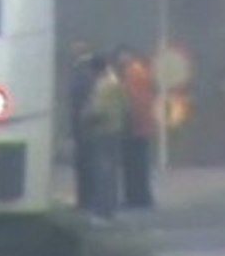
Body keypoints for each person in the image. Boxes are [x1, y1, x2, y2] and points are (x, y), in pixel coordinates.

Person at [82, 54, 128, 220]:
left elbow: (98, 111)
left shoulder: (102, 86)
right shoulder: (115, 82)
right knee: (112, 171)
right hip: (116, 129)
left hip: (102, 131)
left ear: (95, 70)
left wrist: (85, 116)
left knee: (102, 172)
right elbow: (125, 105)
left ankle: (102, 211)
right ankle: (111, 209)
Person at [115, 45, 157, 208]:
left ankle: (135, 198)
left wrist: (129, 121)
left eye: (121, 56)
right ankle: (141, 197)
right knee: (139, 165)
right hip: (142, 126)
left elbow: (133, 101)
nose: (119, 60)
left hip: (135, 126)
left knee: (133, 165)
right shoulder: (140, 71)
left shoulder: (132, 73)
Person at [67, 41, 101, 210]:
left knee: (85, 163)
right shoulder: (88, 69)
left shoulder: (83, 70)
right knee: (86, 162)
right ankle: (86, 199)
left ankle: (86, 200)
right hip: (86, 123)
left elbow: (79, 96)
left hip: (84, 123)